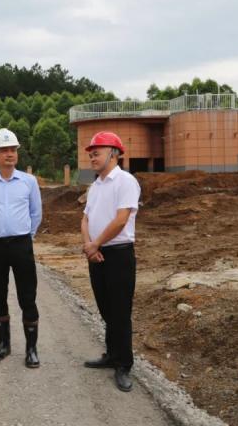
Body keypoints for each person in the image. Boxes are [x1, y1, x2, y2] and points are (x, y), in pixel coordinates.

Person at [0, 128, 42, 367]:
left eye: (13, 149)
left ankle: (31, 349)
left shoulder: (28, 182)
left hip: (22, 244)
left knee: (28, 296)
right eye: (3, 150)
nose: (9, 154)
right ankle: (4, 345)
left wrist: (26, 236)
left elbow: (36, 213)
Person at [80, 131, 141, 392]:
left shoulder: (125, 181)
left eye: (97, 153)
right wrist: (89, 246)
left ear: (113, 154)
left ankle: (124, 364)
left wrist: (96, 244)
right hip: (96, 254)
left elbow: (121, 220)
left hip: (118, 255)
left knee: (120, 312)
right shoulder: (96, 186)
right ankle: (111, 355)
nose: (92, 157)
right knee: (106, 308)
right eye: (91, 154)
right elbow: (85, 218)